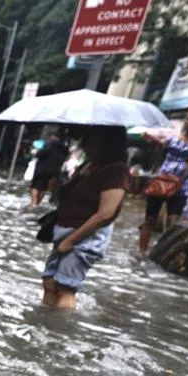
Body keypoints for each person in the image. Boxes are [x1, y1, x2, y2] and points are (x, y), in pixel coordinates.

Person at [43, 126, 130, 310]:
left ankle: (58, 334)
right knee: (50, 283)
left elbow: (106, 214)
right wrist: (56, 188)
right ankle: (44, 325)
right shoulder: (89, 165)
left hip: (84, 235)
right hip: (66, 230)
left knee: (65, 287)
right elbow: (72, 198)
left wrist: (71, 241)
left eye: (90, 139)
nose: (84, 143)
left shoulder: (116, 171)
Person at [138, 105, 188, 255]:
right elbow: (149, 136)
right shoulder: (171, 135)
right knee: (149, 219)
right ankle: (141, 252)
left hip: (181, 186)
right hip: (161, 182)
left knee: (173, 221)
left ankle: (164, 252)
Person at [29, 131, 68, 208]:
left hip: (42, 169)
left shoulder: (49, 142)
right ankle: (38, 203)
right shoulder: (62, 146)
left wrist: (36, 153)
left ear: (50, 135)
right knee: (44, 187)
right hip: (54, 170)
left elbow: (43, 152)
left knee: (35, 186)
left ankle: (33, 203)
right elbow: (64, 156)